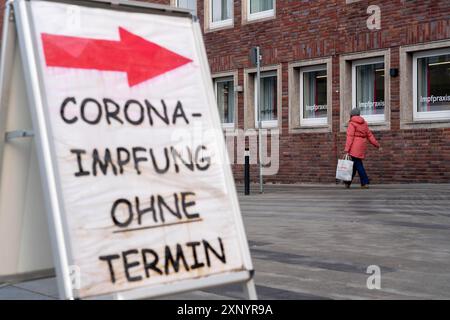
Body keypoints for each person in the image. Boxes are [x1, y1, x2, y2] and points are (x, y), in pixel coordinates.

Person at [344, 108, 380, 189]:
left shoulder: (352, 124)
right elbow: (370, 135)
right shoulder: (364, 123)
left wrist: (347, 149)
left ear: (351, 115)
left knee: (358, 165)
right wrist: (377, 145)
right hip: (361, 146)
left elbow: (350, 137)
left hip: (354, 147)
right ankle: (347, 182)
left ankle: (365, 182)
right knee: (354, 166)